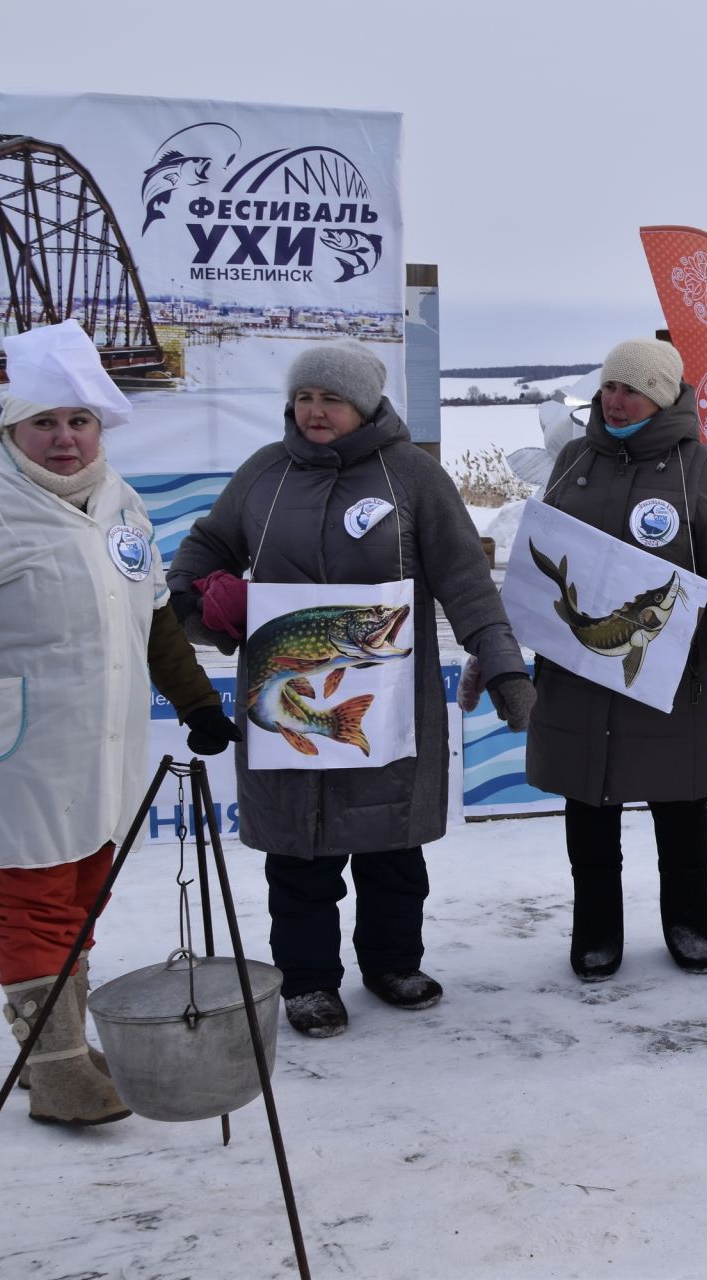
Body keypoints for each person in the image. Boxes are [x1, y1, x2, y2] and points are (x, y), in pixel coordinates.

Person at [0, 322, 238, 1125]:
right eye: (45, 423)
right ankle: (60, 1067)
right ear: (11, 430)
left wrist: (197, 701)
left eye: (79, 421)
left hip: (105, 747)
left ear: (100, 425)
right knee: (34, 906)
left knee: (83, 897)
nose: (64, 439)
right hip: (19, 751)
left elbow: (155, 620)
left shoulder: (122, 502)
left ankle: (49, 1046)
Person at [169, 339, 534, 1038]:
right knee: (300, 858)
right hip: (287, 699)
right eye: (304, 398)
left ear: (363, 406)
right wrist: (199, 603)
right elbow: (205, 549)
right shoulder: (264, 474)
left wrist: (505, 666)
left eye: (330, 399)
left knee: (392, 847)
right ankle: (308, 982)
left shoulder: (414, 477)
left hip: (387, 701)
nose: (314, 411)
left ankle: (392, 963)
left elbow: (464, 582)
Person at [521, 339, 707, 982]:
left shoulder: (701, 468)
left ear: (663, 395)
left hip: (666, 678)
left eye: (630, 389)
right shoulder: (574, 459)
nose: (614, 401)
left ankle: (689, 922)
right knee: (589, 810)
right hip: (579, 671)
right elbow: (538, 557)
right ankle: (596, 932)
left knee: (679, 808)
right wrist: (497, 643)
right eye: (609, 387)